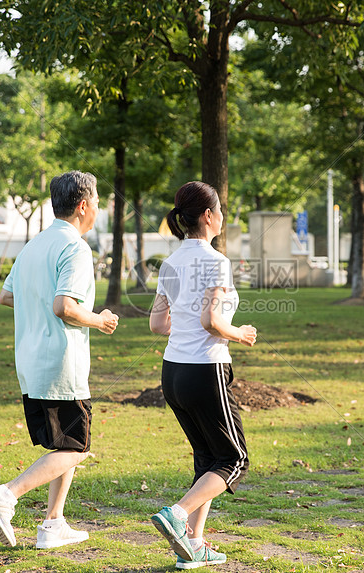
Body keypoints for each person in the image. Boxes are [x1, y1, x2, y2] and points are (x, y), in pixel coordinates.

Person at [0, 171, 119, 549]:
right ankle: (5, 494)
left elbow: (8, 297)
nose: (99, 208)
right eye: (99, 201)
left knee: (64, 446)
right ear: (83, 205)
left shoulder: (33, 245)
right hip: (61, 364)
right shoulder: (75, 247)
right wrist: (100, 320)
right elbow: (65, 307)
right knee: (77, 447)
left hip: (31, 362)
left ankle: (54, 523)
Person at [148, 181, 257, 570]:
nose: (223, 217)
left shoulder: (171, 262)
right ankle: (177, 515)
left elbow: (158, 324)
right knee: (234, 459)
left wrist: (190, 326)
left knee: (208, 458)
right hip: (205, 369)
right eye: (221, 211)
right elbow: (211, 321)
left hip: (172, 373)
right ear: (208, 216)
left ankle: (193, 546)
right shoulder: (216, 261)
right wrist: (239, 333)